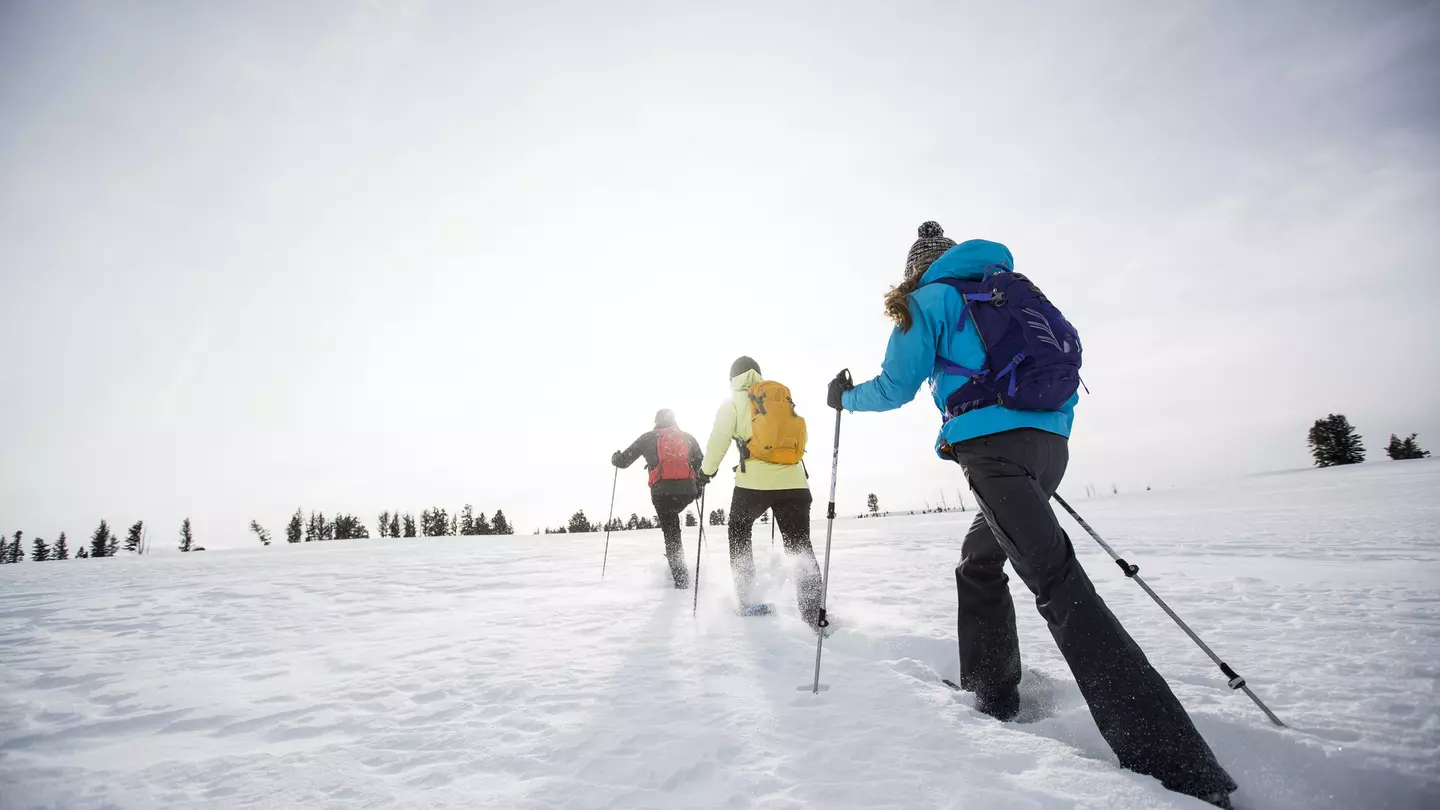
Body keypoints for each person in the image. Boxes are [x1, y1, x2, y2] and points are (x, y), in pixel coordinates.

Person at [827, 222, 1237, 808]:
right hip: (1050, 447)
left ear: (919, 268)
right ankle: (991, 691)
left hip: (992, 452)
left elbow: (896, 387)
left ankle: (1179, 767)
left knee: (1059, 585)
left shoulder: (930, 299)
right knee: (978, 561)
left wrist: (842, 396)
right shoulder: (1011, 287)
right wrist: (1036, 437)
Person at [699, 357, 823, 627]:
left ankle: (748, 599)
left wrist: (706, 472)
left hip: (753, 484)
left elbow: (718, 439)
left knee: (739, 530)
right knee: (800, 545)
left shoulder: (732, 401)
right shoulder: (777, 395)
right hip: (795, 483)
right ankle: (815, 615)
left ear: (732, 378)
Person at [611, 409, 704, 589]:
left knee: (671, 533)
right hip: (687, 491)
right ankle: (680, 570)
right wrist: (697, 487)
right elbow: (701, 462)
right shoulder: (688, 437)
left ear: (656, 421)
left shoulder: (649, 437)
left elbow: (623, 461)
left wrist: (615, 457)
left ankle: (681, 579)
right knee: (673, 521)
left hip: (662, 492)